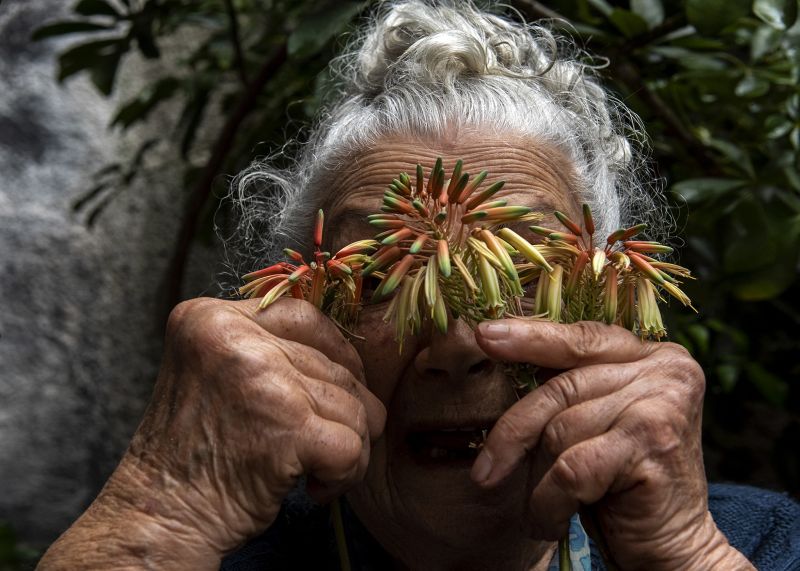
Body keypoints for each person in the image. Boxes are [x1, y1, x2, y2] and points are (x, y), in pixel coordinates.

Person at [38, 1, 799, 570]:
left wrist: (687, 552)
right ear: (290, 319)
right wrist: (159, 511)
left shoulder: (760, 543)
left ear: (613, 304)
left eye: (524, 270)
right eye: (377, 273)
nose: (457, 346)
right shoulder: (200, 547)